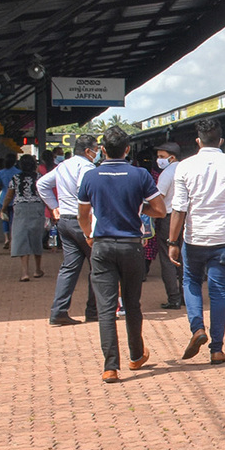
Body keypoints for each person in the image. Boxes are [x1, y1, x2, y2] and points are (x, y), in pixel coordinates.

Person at [78, 126, 167, 383]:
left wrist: (88, 235)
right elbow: (160, 210)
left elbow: (83, 215)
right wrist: (138, 208)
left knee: (106, 308)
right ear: (127, 149)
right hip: (131, 246)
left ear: (102, 150)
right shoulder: (140, 174)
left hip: (102, 246)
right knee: (132, 303)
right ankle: (136, 355)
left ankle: (110, 367)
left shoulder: (91, 176)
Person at [167, 118, 225, 364]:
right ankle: (217, 349)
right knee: (218, 291)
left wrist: (172, 242)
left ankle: (197, 329)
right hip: (224, 238)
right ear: (221, 141)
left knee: (191, 281)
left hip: (195, 238)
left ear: (198, 141)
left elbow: (179, 208)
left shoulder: (185, 166)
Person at [37, 134, 101, 325]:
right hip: (82, 221)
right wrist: (89, 220)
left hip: (64, 220)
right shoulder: (87, 167)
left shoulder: (63, 165)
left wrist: (54, 206)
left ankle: (59, 311)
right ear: (88, 151)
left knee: (69, 268)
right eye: (96, 149)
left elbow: (42, 184)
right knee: (97, 266)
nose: (97, 152)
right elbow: (84, 191)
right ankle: (93, 311)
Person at [2, 154, 46, 281]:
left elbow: (9, 196)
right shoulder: (39, 178)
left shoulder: (16, 178)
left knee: (22, 238)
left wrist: (3, 208)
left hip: (20, 208)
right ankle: (37, 269)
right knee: (36, 238)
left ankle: (25, 273)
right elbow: (44, 194)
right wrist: (51, 210)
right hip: (37, 208)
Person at [154, 142, 184, 309]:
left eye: (161, 157)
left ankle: (174, 298)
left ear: (171, 157)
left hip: (168, 218)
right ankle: (186, 296)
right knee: (184, 257)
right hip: (185, 217)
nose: (158, 160)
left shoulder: (167, 173)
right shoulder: (186, 169)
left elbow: (158, 197)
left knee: (168, 258)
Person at [0, 155, 19, 249]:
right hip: (15, 198)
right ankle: (13, 239)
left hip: (3, 198)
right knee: (13, 220)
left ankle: (6, 238)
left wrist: (2, 186)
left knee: (4, 218)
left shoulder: (1, 172)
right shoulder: (18, 172)